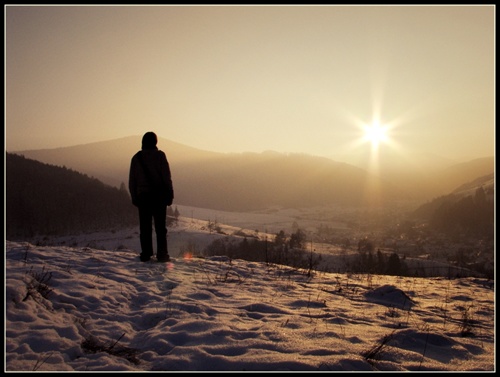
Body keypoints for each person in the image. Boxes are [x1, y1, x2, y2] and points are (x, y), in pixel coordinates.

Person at [129, 132, 174, 262]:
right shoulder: (160, 156)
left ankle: (146, 253)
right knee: (160, 227)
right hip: (159, 197)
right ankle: (162, 253)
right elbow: (167, 177)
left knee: (145, 227)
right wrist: (170, 194)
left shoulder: (136, 158)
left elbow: (132, 181)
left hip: (143, 197)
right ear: (155, 142)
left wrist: (134, 197)